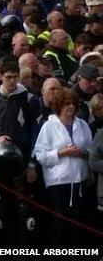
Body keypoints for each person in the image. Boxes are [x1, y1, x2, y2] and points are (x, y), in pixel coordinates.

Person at [34, 88, 92, 246]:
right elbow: (40, 155)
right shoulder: (48, 126)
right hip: (58, 182)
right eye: (67, 104)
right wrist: (61, 153)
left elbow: (91, 151)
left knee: (76, 223)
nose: (71, 107)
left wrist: (82, 153)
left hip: (79, 180)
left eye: (73, 104)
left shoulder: (82, 125)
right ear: (59, 105)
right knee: (59, 223)